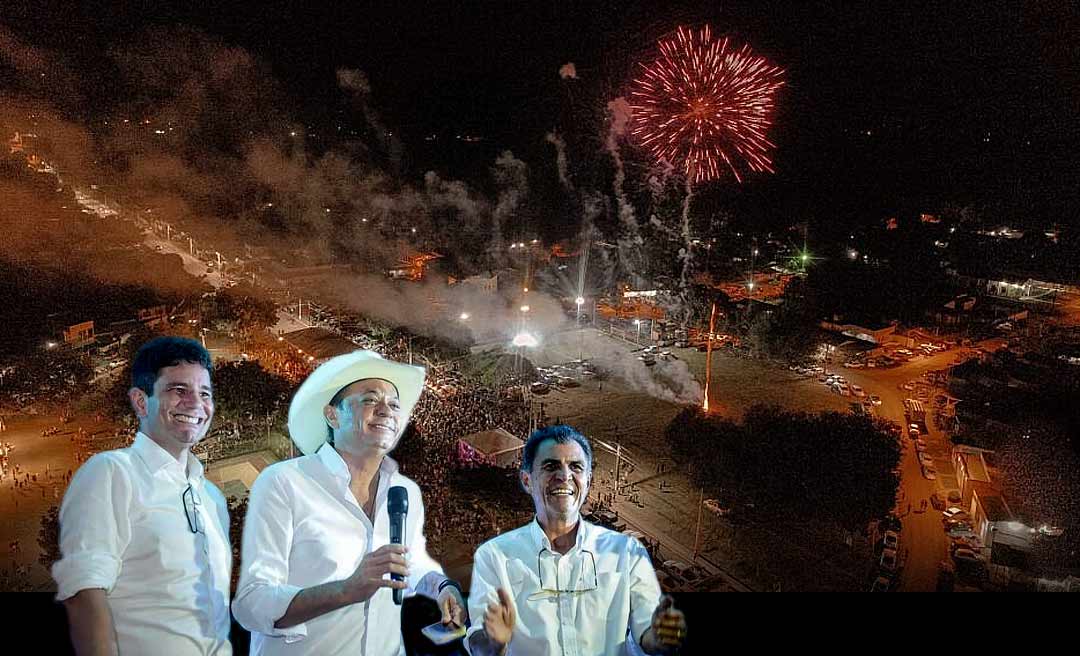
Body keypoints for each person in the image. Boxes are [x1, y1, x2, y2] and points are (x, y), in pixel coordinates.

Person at [233, 350, 466, 656]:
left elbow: (410, 563)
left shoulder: (404, 491)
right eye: (370, 400)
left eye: (394, 405)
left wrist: (442, 587)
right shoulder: (285, 482)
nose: (386, 411)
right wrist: (345, 590)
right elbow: (253, 604)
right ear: (332, 415)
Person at [52, 336, 232, 655]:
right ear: (140, 401)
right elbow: (84, 590)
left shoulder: (211, 498)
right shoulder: (113, 473)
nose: (195, 404)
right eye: (178, 390)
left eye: (204, 393)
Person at [467, 425, 687, 656]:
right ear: (527, 480)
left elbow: (645, 634)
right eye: (550, 466)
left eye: (576, 467)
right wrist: (494, 643)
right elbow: (478, 640)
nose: (564, 476)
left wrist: (659, 638)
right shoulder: (494, 557)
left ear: (588, 481)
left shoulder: (627, 553)